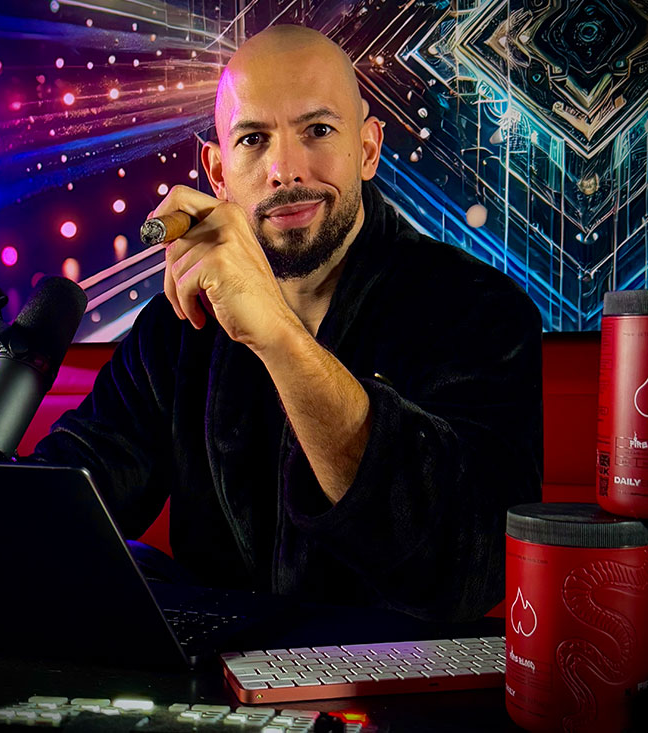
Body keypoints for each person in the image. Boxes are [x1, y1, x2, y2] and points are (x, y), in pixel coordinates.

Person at [32, 24, 542, 622]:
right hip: (216, 690)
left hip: (397, 688)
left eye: (318, 130)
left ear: (369, 149)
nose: (284, 170)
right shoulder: (176, 327)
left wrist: (275, 333)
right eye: (252, 139)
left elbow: (467, 572)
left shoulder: (478, 308)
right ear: (218, 173)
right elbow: (71, 495)